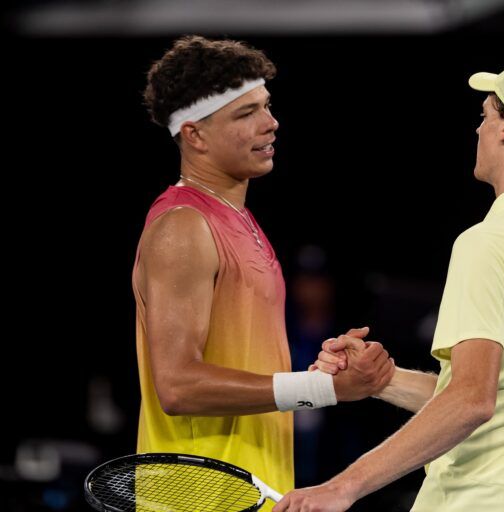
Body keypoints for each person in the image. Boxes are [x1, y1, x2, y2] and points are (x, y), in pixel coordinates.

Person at [275, 59, 504, 512]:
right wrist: (383, 380)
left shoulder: (489, 244)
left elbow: (471, 401)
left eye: (484, 115)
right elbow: (498, 400)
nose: (478, 129)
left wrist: (343, 487)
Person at [132, 35, 394, 509]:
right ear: (195, 135)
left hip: (255, 492)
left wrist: (321, 371)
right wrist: (321, 389)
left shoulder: (240, 222)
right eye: (245, 113)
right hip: (196, 500)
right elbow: (178, 386)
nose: (271, 123)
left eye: (266, 106)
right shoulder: (183, 227)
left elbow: (245, 363)